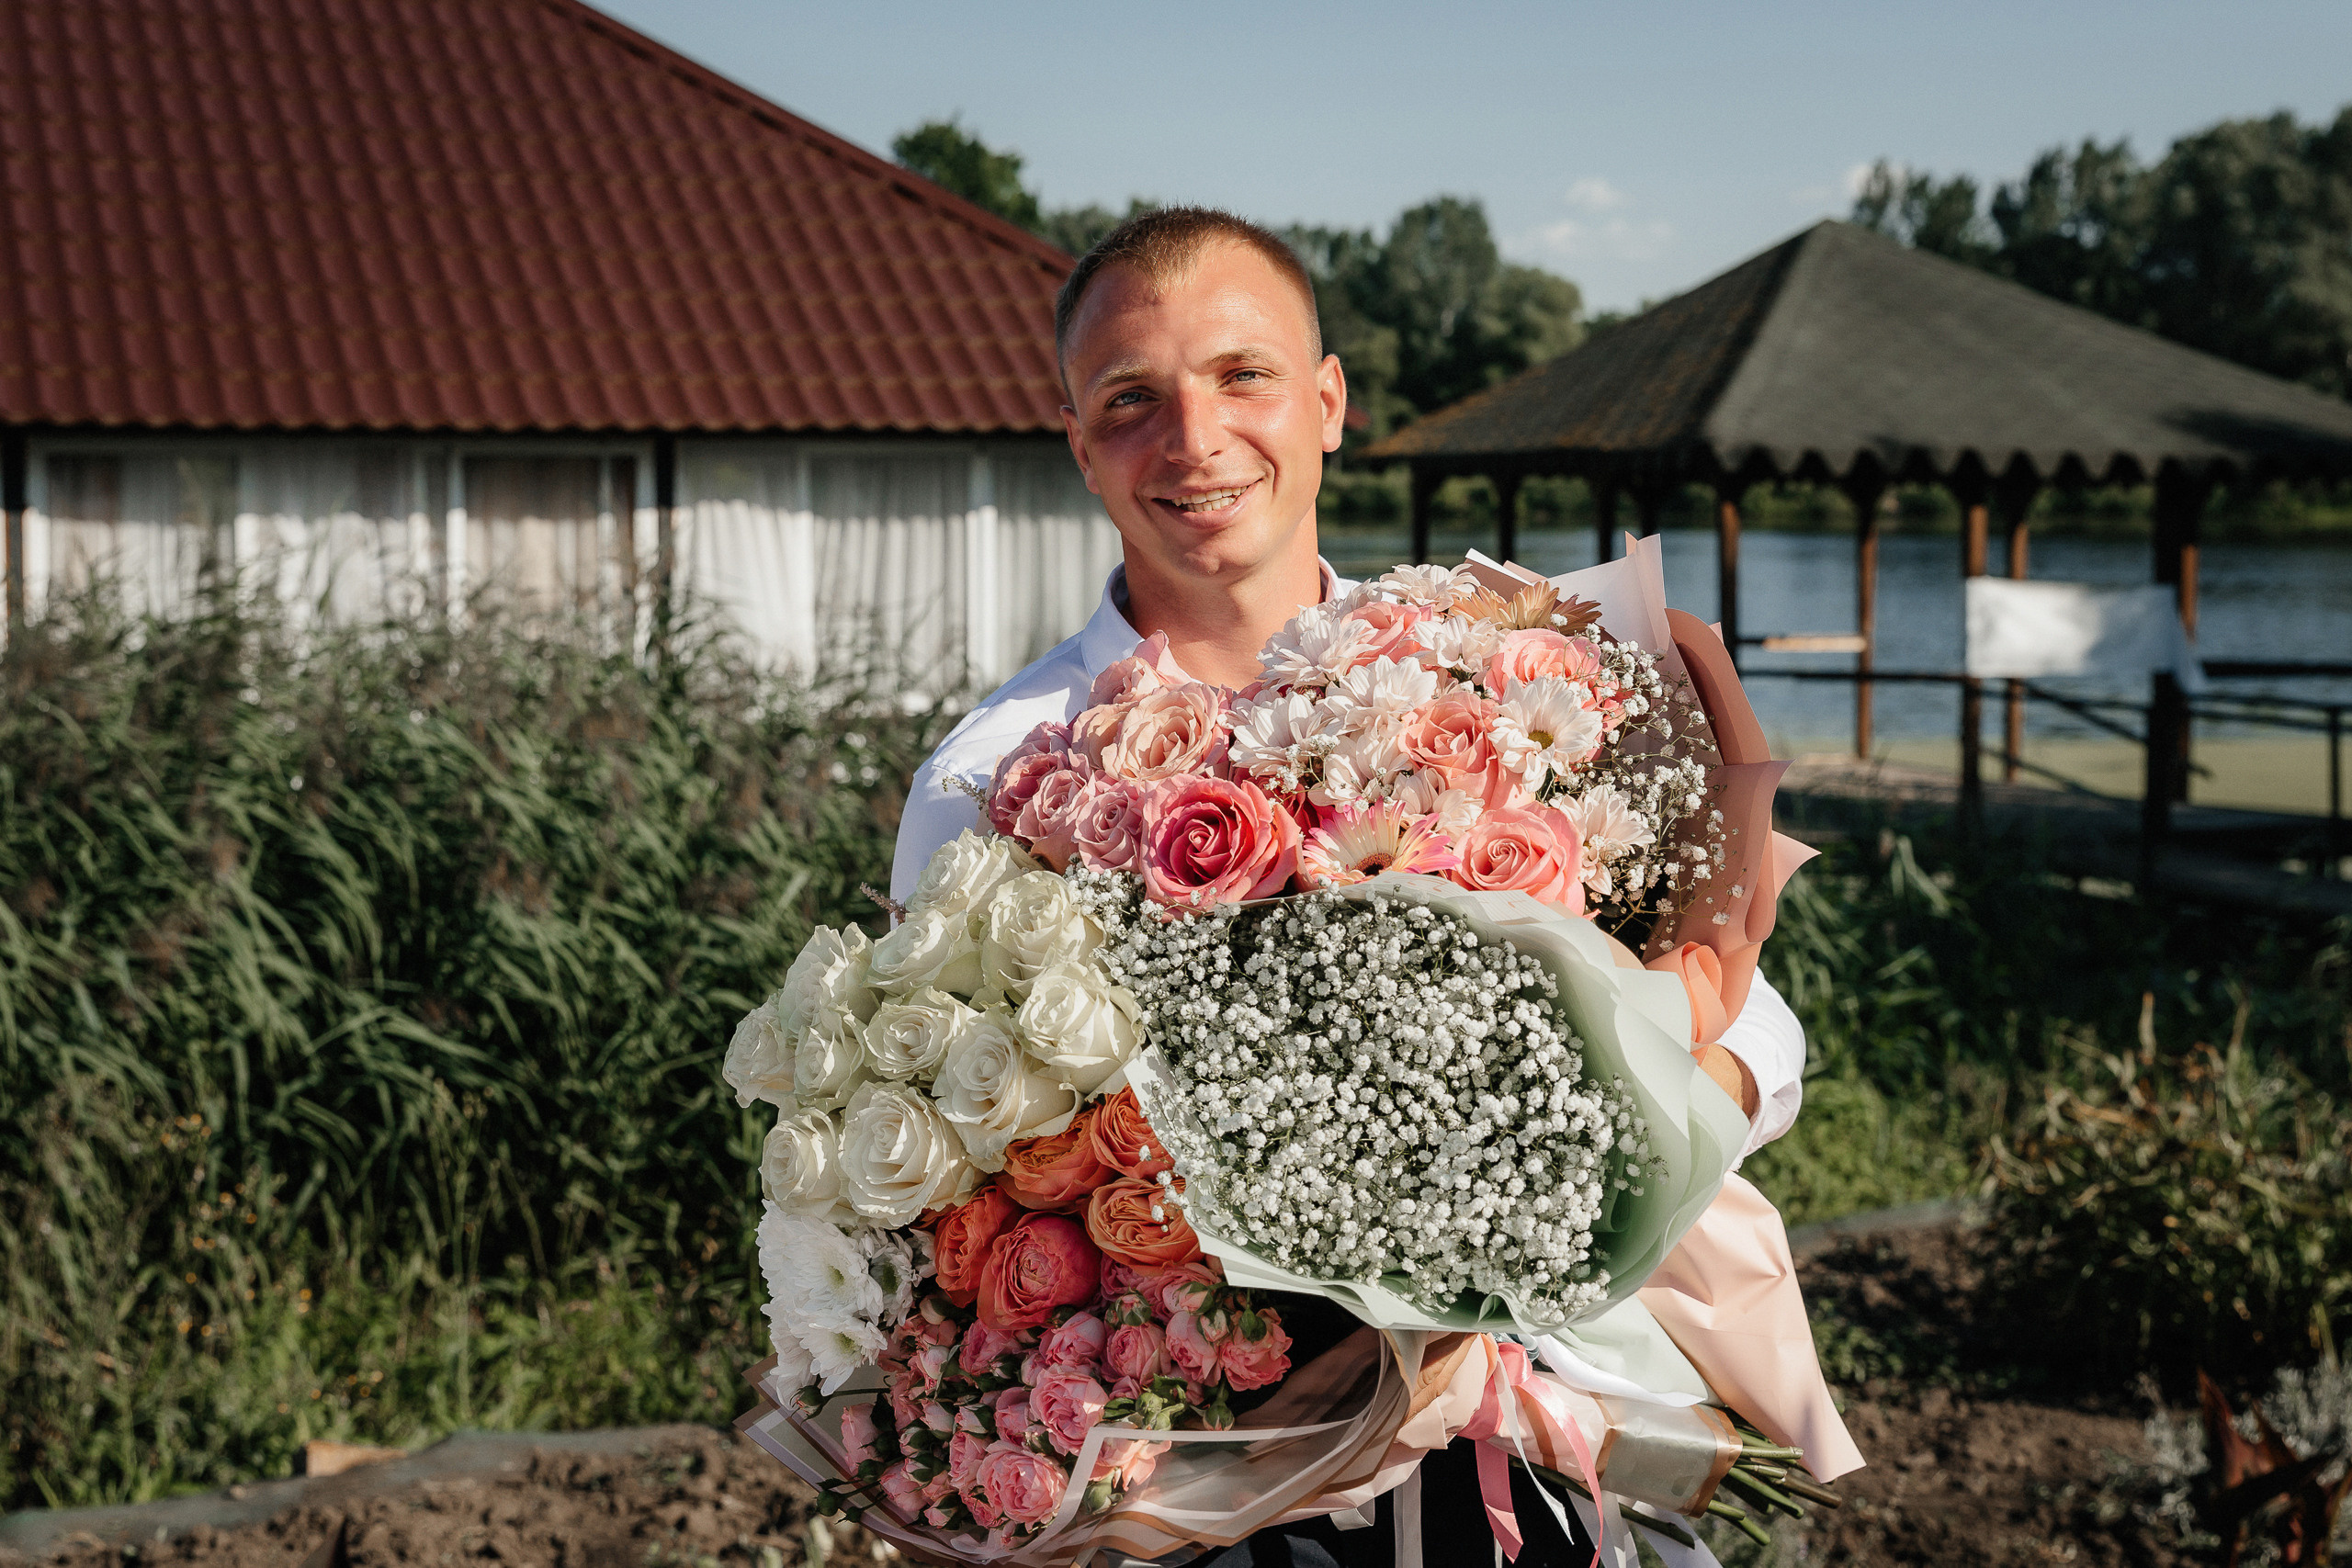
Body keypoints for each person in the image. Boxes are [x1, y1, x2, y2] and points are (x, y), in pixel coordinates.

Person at [888, 207, 1807, 1567]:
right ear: (1080, 446)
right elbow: (960, 1171)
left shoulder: (1489, 670)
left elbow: (1750, 1016)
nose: (1194, 438)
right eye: (1132, 400)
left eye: (1242, 376)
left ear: (1328, 404)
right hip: (1215, 1480)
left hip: (1552, 1428)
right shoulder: (997, 777)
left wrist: (1621, 1140)